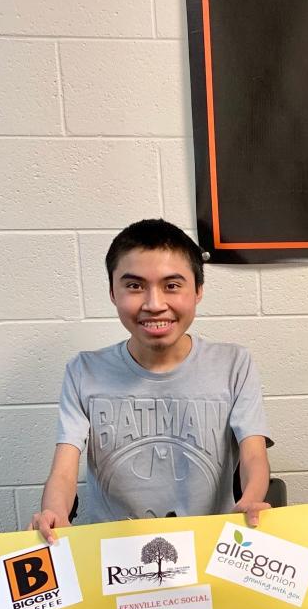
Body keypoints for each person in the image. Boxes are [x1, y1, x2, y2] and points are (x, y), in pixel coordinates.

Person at [29, 219, 271, 542]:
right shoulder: (83, 372)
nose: (155, 305)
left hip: (210, 547)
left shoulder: (234, 364)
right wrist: (54, 511)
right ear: (113, 292)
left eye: (172, 285)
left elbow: (254, 455)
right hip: (116, 558)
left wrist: (251, 499)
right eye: (134, 286)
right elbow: (63, 469)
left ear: (198, 290)